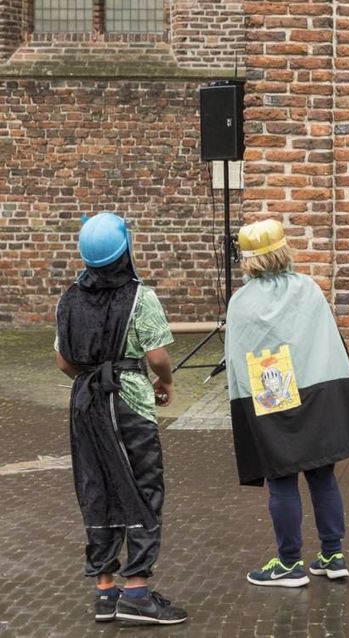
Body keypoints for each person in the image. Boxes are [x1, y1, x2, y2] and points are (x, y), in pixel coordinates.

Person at [225, 219, 349, 587]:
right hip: (319, 387)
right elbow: (326, 340)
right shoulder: (308, 288)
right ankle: (332, 553)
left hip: (271, 390)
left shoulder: (242, 302)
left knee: (281, 479)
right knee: (322, 474)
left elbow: (238, 358)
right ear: (284, 250)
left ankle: (289, 562)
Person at [55, 212, 187, 625]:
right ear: (125, 250)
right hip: (127, 402)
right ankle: (137, 591)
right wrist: (164, 381)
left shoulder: (68, 299)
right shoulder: (139, 297)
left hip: (84, 406)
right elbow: (157, 356)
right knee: (142, 486)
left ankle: (106, 591)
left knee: (97, 487)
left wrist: (89, 378)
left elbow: (63, 361)